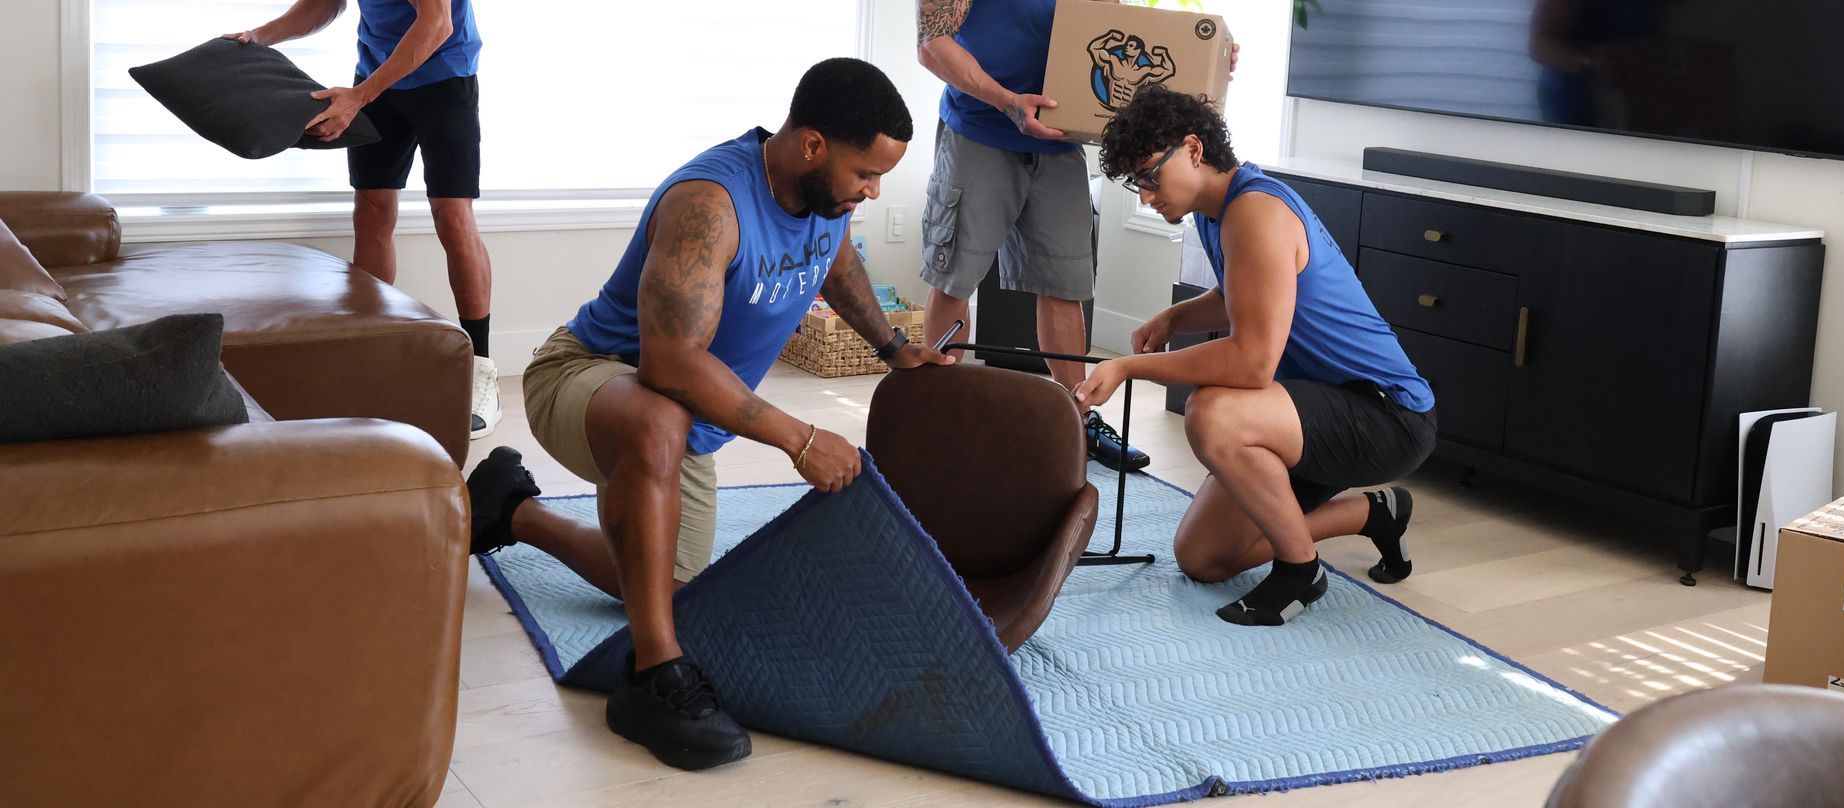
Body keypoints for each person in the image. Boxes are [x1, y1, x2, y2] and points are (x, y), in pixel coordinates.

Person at [461, 58, 952, 771]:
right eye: (865, 175)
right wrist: (800, 437)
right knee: (659, 425)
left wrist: (894, 346)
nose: (872, 193)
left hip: (684, 418)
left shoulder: (824, 200)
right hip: (590, 377)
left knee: (671, 590)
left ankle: (513, 510)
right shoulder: (711, 203)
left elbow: (835, 263)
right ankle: (649, 678)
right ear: (812, 145)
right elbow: (669, 364)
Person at [1074, 87, 1438, 627]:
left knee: (1212, 413)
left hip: (1385, 415)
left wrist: (1128, 368)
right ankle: (1375, 513)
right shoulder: (1215, 209)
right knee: (1203, 558)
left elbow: (1251, 363)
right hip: (1314, 409)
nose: (1146, 198)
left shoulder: (1257, 212)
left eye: (1149, 177)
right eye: (1135, 185)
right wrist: (1176, 318)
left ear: (1193, 149)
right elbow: (1241, 297)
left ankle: (1300, 571)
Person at [225, 0, 501, 438]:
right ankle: (372, 350)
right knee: (371, 213)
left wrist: (360, 96)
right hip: (379, 78)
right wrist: (259, 36)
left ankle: (481, 367)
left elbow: (437, 24)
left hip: (444, 76)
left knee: (452, 215)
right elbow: (323, 5)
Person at [914, 0, 1150, 472]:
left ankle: (1077, 417)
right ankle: (939, 414)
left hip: (1060, 140)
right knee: (954, 278)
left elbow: (1130, 38)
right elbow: (931, 45)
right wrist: (1006, 101)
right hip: (979, 130)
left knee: (1065, 286)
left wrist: (1207, 65)